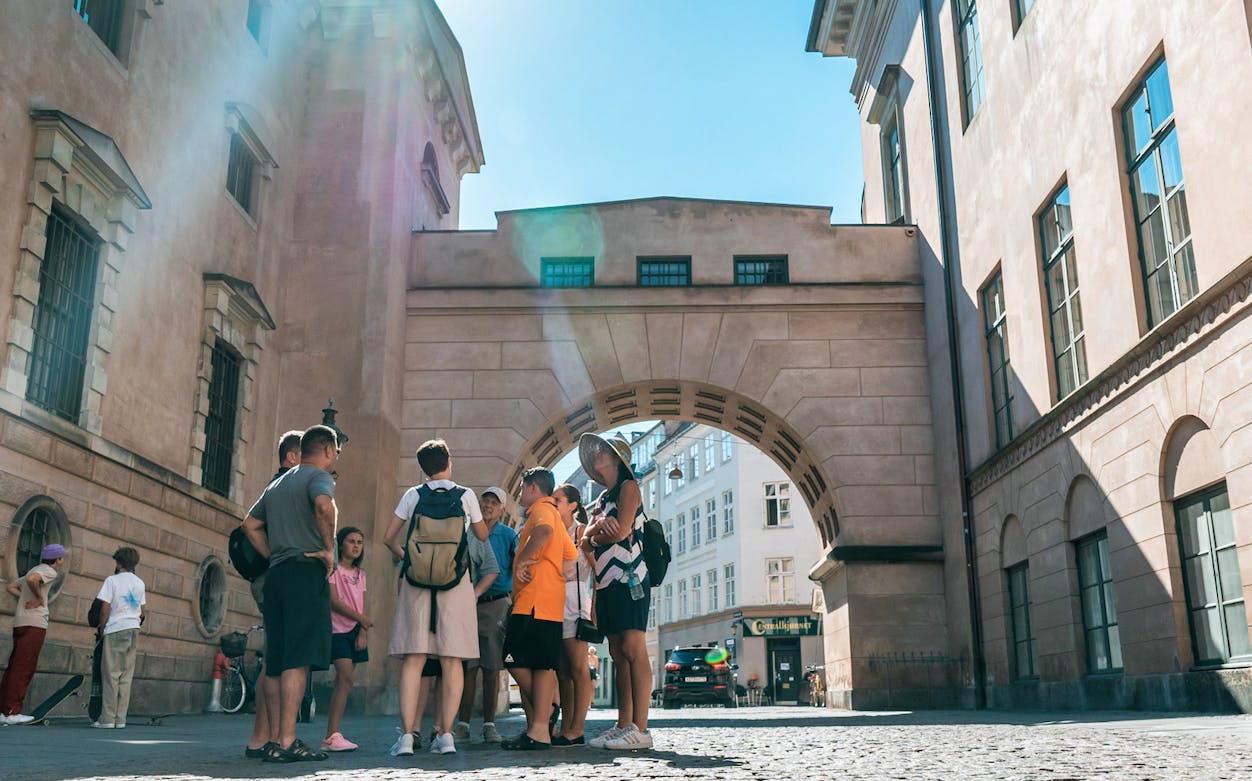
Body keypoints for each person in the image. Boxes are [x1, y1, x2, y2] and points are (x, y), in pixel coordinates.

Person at [384, 439, 489, 757]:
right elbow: (482, 535)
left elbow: (388, 537)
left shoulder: (412, 495)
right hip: (455, 583)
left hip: (417, 583)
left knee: (414, 658)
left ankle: (405, 737)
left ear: (422, 469)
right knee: (452, 659)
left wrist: (409, 558)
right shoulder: (466, 494)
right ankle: (445, 735)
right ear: (449, 461)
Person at [242, 425, 339, 763]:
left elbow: (249, 525)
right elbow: (324, 507)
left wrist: (274, 555)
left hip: (278, 576)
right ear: (327, 449)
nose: (336, 458)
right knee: (298, 659)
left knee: (276, 660)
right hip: (304, 572)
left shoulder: (279, 483)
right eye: (336, 451)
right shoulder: (318, 477)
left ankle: (271, 740)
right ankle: (286, 741)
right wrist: (328, 550)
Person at [579, 433, 654, 750]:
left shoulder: (628, 488)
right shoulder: (601, 499)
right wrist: (596, 531)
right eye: (595, 451)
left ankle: (641, 728)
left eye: (602, 450)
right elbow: (584, 542)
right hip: (607, 582)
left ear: (615, 459)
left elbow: (621, 530)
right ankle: (624, 724)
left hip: (630, 578)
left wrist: (595, 533)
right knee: (619, 653)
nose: (596, 454)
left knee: (634, 649)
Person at [501, 467, 577, 751]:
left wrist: (525, 562)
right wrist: (552, 575)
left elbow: (542, 532)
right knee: (542, 665)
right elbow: (571, 558)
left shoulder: (542, 511)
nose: (521, 494)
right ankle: (539, 730)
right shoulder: (556, 515)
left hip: (532, 602)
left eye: (522, 488)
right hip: (550, 602)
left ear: (533, 487)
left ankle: (545, 715)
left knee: (513, 659)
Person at [244, 429, 302, 758]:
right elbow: (249, 526)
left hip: (272, 579)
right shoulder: (285, 486)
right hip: (277, 579)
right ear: (291, 457)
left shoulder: (277, 485)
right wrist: (274, 557)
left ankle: (262, 735)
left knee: (273, 657)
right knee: (277, 659)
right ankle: (271, 735)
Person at [454, 486, 517, 744]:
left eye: (494, 502)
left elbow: (519, 566)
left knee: (491, 667)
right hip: (467, 604)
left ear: (503, 509)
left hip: (496, 603)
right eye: (485, 500)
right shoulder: (468, 532)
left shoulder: (509, 535)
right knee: (467, 667)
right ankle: (462, 724)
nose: (488, 505)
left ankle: (489, 725)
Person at [0, 543, 66, 725]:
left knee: (15, 666)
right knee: (24, 668)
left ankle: (4, 711)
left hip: (21, 622)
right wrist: (37, 598)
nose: (62, 562)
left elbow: (12, 586)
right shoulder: (49, 571)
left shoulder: (35, 567)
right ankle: (13, 712)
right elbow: (32, 580)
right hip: (34, 623)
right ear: (57, 559)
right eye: (62, 559)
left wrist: (26, 598)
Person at [553, 483, 595, 747]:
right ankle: (566, 726)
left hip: (575, 601)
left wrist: (595, 605)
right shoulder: (552, 530)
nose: (553, 503)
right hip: (553, 600)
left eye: (557, 499)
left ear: (572, 505)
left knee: (578, 668)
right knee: (562, 670)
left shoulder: (581, 531)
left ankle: (577, 728)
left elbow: (595, 568)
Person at [323, 526, 370, 752]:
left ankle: (333, 734)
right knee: (346, 676)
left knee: (344, 682)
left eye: (359, 542)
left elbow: (363, 603)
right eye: (351, 541)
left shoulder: (361, 575)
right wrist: (362, 618)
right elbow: (333, 601)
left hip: (355, 631)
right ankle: (332, 735)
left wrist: (363, 630)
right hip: (337, 630)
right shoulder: (333, 571)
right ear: (341, 544)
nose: (355, 546)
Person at [93, 547, 146, 729]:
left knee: (110, 674)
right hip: (133, 628)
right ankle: (121, 719)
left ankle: (108, 719)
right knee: (126, 674)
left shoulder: (112, 581)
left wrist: (102, 628)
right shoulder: (140, 583)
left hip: (116, 627)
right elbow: (142, 610)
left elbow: (105, 608)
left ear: (118, 562)